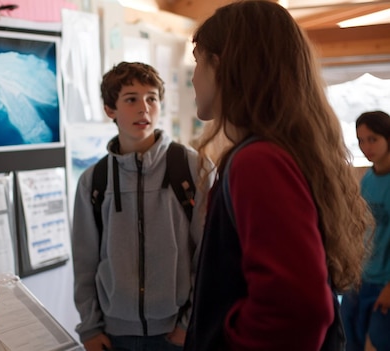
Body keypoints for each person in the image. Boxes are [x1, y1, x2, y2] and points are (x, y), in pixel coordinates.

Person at [184, 1, 373, 351]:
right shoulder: (277, 152)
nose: (192, 76)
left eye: (197, 60)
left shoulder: (258, 161)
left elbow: (299, 310)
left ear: (223, 65)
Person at [71, 61, 214, 351]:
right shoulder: (93, 181)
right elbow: (85, 264)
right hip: (114, 336)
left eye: (152, 98)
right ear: (110, 110)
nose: (144, 108)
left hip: (177, 332)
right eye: (131, 99)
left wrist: (191, 323)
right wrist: (89, 328)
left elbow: (210, 254)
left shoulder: (193, 168)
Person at [341, 110, 390, 351]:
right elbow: (361, 230)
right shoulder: (367, 180)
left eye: (373, 139)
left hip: (385, 284)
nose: (365, 146)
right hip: (361, 281)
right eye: (360, 140)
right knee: (349, 343)